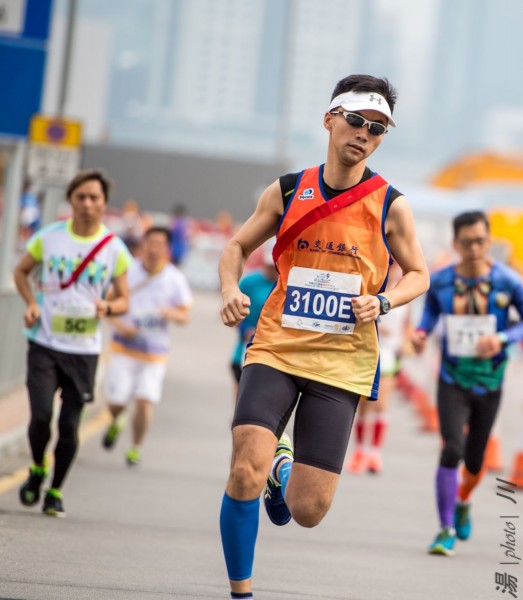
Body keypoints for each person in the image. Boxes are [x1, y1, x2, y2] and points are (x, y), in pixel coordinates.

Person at [218, 74, 429, 598]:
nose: (364, 133)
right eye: (356, 120)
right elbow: (236, 247)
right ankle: (241, 592)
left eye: (377, 129)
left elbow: (419, 274)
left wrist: (384, 301)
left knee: (308, 509)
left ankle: (282, 470)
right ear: (330, 119)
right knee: (244, 469)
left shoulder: (391, 204)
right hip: (276, 346)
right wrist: (229, 289)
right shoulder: (289, 190)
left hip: (343, 360)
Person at [13, 170, 131, 518]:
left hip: (84, 350)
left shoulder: (114, 249)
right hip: (44, 344)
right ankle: (37, 467)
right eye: (81, 197)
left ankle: (55, 491)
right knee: (40, 417)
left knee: (68, 425)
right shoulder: (48, 237)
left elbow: (124, 299)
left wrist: (108, 307)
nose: (87, 204)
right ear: (71, 200)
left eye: (94, 198)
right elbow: (21, 272)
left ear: (104, 203)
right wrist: (31, 303)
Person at [411, 210, 523, 556]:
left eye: (480, 241)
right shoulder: (441, 280)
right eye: (467, 242)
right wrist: (421, 332)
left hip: (490, 381)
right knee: (451, 449)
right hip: (452, 377)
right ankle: (444, 529)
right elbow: (431, 310)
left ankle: (463, 500)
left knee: (475, 461)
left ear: (489, 242)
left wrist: (501, 339)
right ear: (455, 243)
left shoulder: (508, 281)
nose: (474, 248)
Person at [102, 226, 192, 465]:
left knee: (144, 400)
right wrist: (120, 326)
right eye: (150, 243)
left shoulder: (174, 278)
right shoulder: (127, 272)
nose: (154, 249)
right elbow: (107, 305)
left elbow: (185, 314)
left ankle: (135, 447)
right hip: (124, 347)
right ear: (143, 245)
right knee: (116, 402)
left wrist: (170, 313)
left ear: (167, 249)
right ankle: (117, 418)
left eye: (160, 245)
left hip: (154, 352)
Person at [346, 260, 410, 474]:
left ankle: (374, 453)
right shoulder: (372, 289)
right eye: (392, 267)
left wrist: (406, 343)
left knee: (382, 403)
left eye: (397, 268)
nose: (395, 271)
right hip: (368, 351)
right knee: (365, 404)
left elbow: (405, 325)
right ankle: (360, 452)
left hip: (390, 354)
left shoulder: (404, 293)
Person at [230, 239, 278, 398]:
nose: (273, 270)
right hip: (245, 347)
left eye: (276, 266)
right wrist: (245, 329)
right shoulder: (249, 282)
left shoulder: (285, 285)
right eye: (270, 266)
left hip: (273, 350)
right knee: (241, 394)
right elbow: (233, 312)